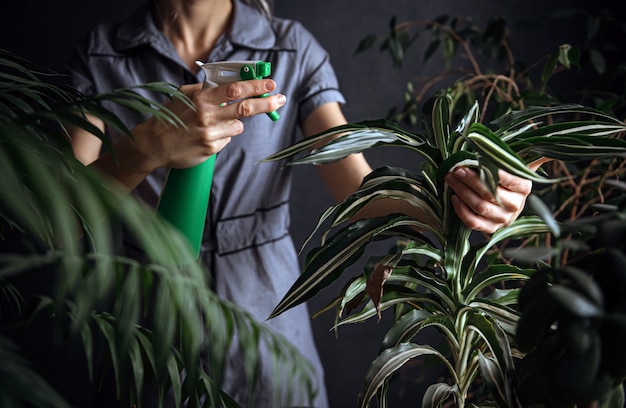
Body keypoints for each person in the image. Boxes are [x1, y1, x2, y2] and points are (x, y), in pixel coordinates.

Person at [66, 0, 534, 406]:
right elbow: (63, 209)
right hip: (144, 325)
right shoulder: (101, 54)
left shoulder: (290, 49)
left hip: (267, 327)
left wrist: (453, 202)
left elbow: (356, 186)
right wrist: (144, 149)